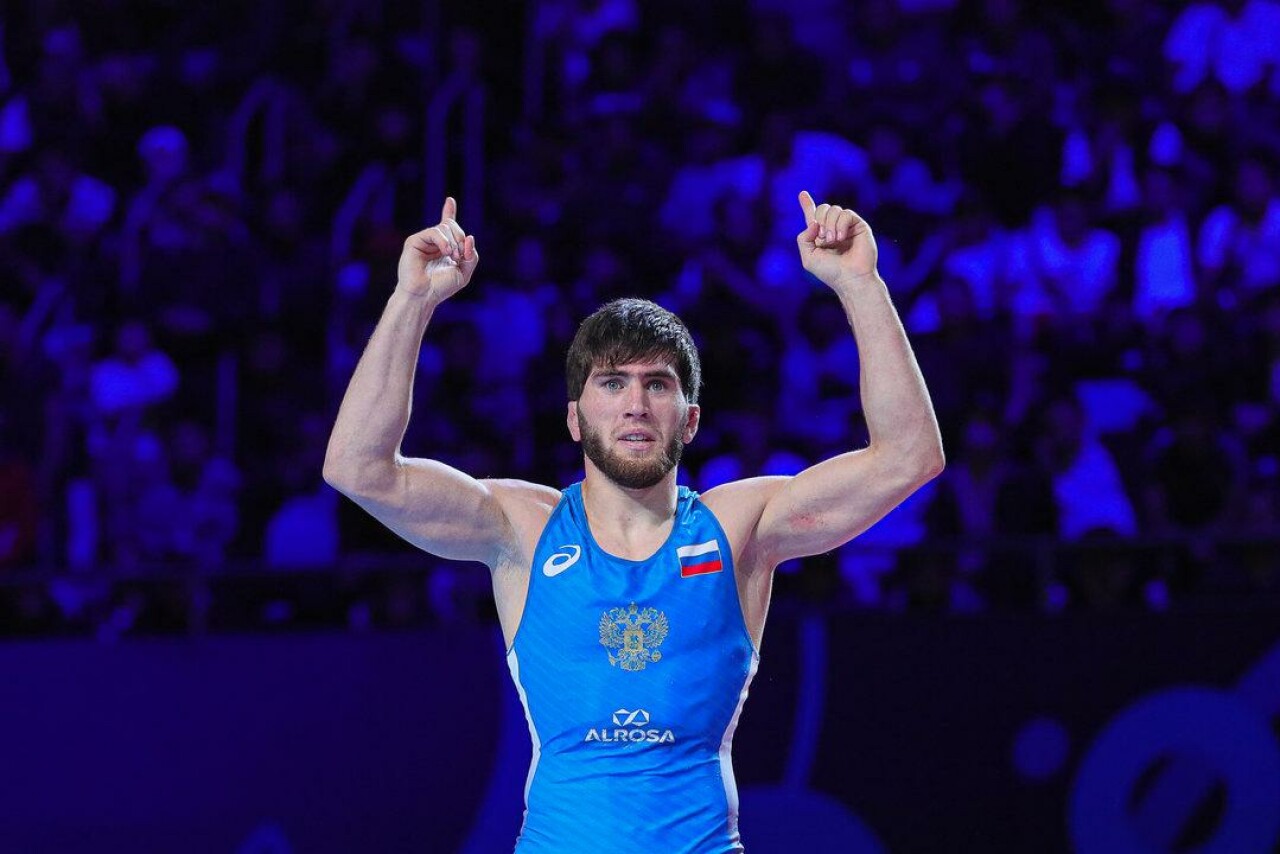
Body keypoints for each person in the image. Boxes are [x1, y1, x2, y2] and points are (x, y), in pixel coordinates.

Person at [323, 192, 944, 851]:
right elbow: (358, 468)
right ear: (574, 418)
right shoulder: (522, 530)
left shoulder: (740, 529)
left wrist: (861, 285)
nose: (636, 405)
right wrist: (413, 300)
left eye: (658, 384)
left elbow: (909, 456)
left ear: (691, 419)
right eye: (612, 382)